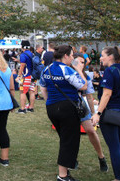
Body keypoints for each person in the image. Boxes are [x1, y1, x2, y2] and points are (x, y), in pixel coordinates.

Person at [40, 45, 87, 181]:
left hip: (52, 107)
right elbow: (83, 86)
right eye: (71, 55)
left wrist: (49, 102)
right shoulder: (66, 70)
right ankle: (63, 175)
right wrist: (79, 69)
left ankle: (65, 169)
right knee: (69, 140)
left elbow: (43, 88)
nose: (73, 58)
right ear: (65, 55)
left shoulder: (46, 69)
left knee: (65, 138)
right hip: (67, 108)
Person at [91, 47, 120, 181]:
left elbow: (107, 94)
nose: (100, 58)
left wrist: (98, 113)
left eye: (102, 55)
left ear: (110, 57)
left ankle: (118, 178)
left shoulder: (110, 71)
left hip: (111, 114)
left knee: (115, 147)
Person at [71, 54, 108, 172]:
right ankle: (73, 159)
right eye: (79, 62)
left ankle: (101, 157)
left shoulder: (85, 76)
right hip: (70, 106)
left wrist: (94, 113)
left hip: (81, 106)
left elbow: (89, 96)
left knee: (91, 131)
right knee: (72, 134)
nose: (82, 64)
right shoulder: (68, 73)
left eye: (83, 62)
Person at [17, 41, 35, 113]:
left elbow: (22, 66)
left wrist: (19, 76)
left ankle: (22, 108)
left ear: (22, 46)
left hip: (26, 76)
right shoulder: (31, 54)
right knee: (31, 91)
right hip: (33, 76)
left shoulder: (23, 55)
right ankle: (31, 107)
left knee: (23, 92)